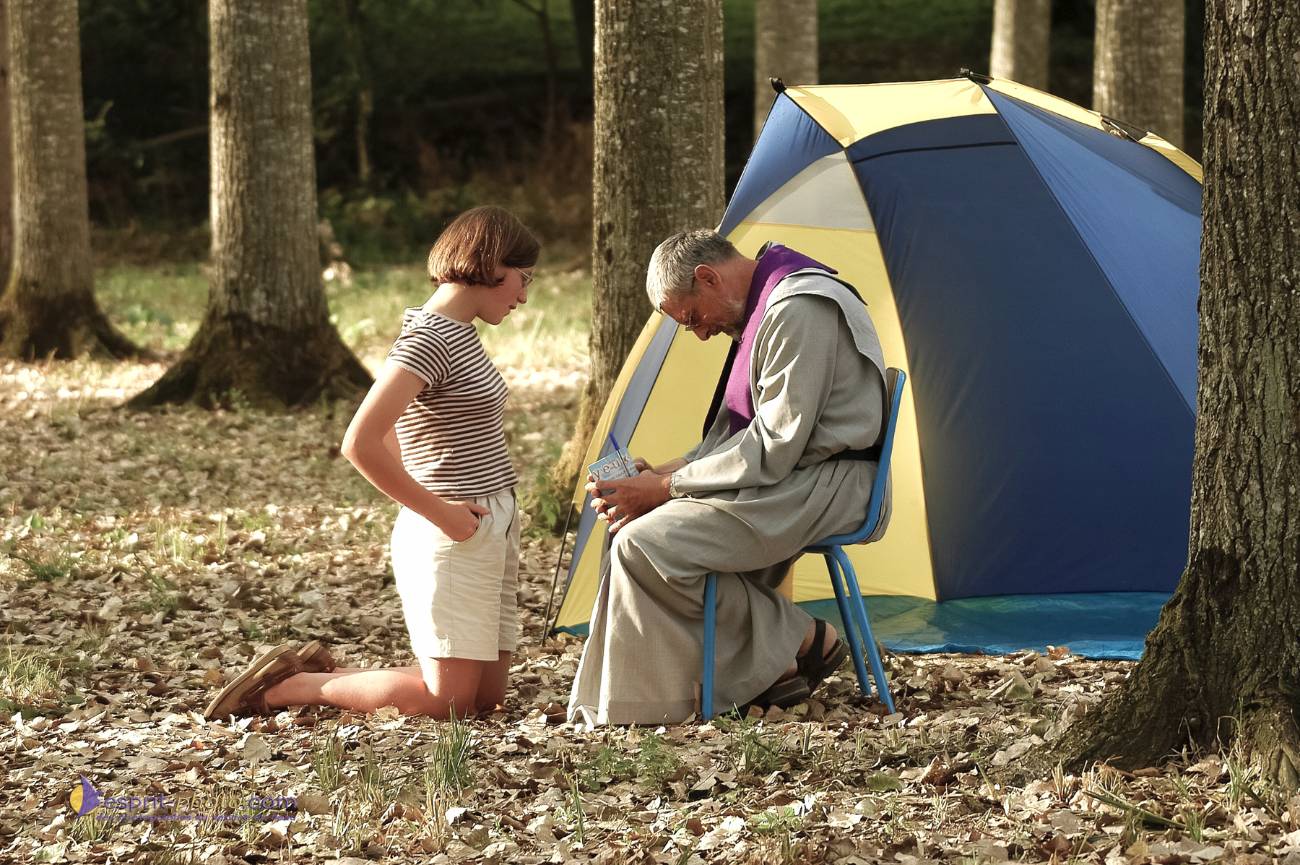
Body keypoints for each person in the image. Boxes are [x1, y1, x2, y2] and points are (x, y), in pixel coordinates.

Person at [203, 206, 538, 721]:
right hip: (453, 531)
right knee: (446, 704)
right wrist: (441, 512)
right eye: (522, 279)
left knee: (484, 702)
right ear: (492, 264)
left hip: (492, 520)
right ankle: (287, 688)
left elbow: (404, 433)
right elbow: (361, 441)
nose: (522, 295)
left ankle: (306, 674)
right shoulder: (429, 338)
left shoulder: (461, 332)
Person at [568, 230, 889, 725]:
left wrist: (666, 489)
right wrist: (665, 472)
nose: (699, 333)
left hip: (834, 483)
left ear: (708, 277)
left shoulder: (798, 308)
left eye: (693, 317)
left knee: (643, 544)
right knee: (628, 533)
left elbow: (774, 447)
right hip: (793, 477)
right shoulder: (768, 305)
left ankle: (799, 638)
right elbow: (739, 437)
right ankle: (774, 666)